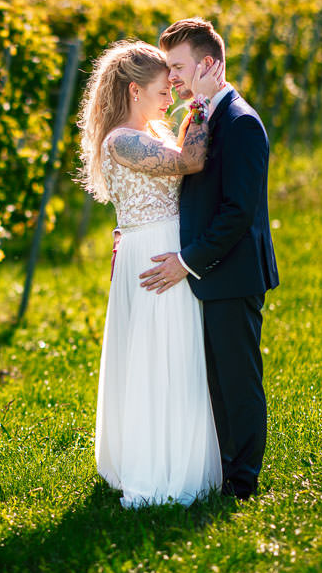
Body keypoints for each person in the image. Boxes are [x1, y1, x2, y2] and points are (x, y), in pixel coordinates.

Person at [76, 39, 225, 508]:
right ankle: (157, 468)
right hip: (153, 253)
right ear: (133, 90)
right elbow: (190, 161)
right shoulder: (122, 139)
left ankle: (178, 454)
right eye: (163, 91)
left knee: (175, 355)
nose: (170, 97)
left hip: (161, 246)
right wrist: (203, 103)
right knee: (159, 356)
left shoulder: (150, 131)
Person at [140, 18, 280, 500]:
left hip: (233, 274)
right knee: (215, 380)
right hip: (210, 274)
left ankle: (243, 482)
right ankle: (221, 469)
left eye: (178, 67)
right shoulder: (201, 116)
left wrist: (186, 261)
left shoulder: (240, 123)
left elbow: (238, 212)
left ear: (208, 64)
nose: (171, 78)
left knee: (237, 380)